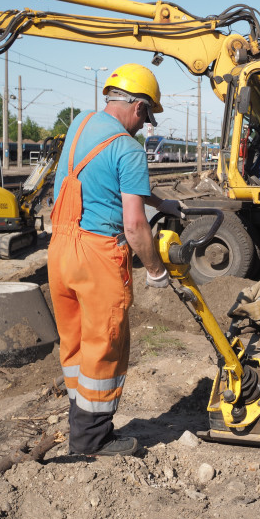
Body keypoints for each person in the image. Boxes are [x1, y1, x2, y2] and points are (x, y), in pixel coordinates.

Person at [48, 63, 183, 457]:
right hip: (97, 257)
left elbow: (107, 177)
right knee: (104, 345)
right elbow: (134, 225)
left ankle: (79, 424)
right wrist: (155, 270)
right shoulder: (129, 147)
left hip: (60, 249)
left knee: (74, 343)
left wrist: (161, 199)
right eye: (147, 115)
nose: (145, 125)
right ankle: (92, 442)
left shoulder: (80, 125)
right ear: (139, 107)